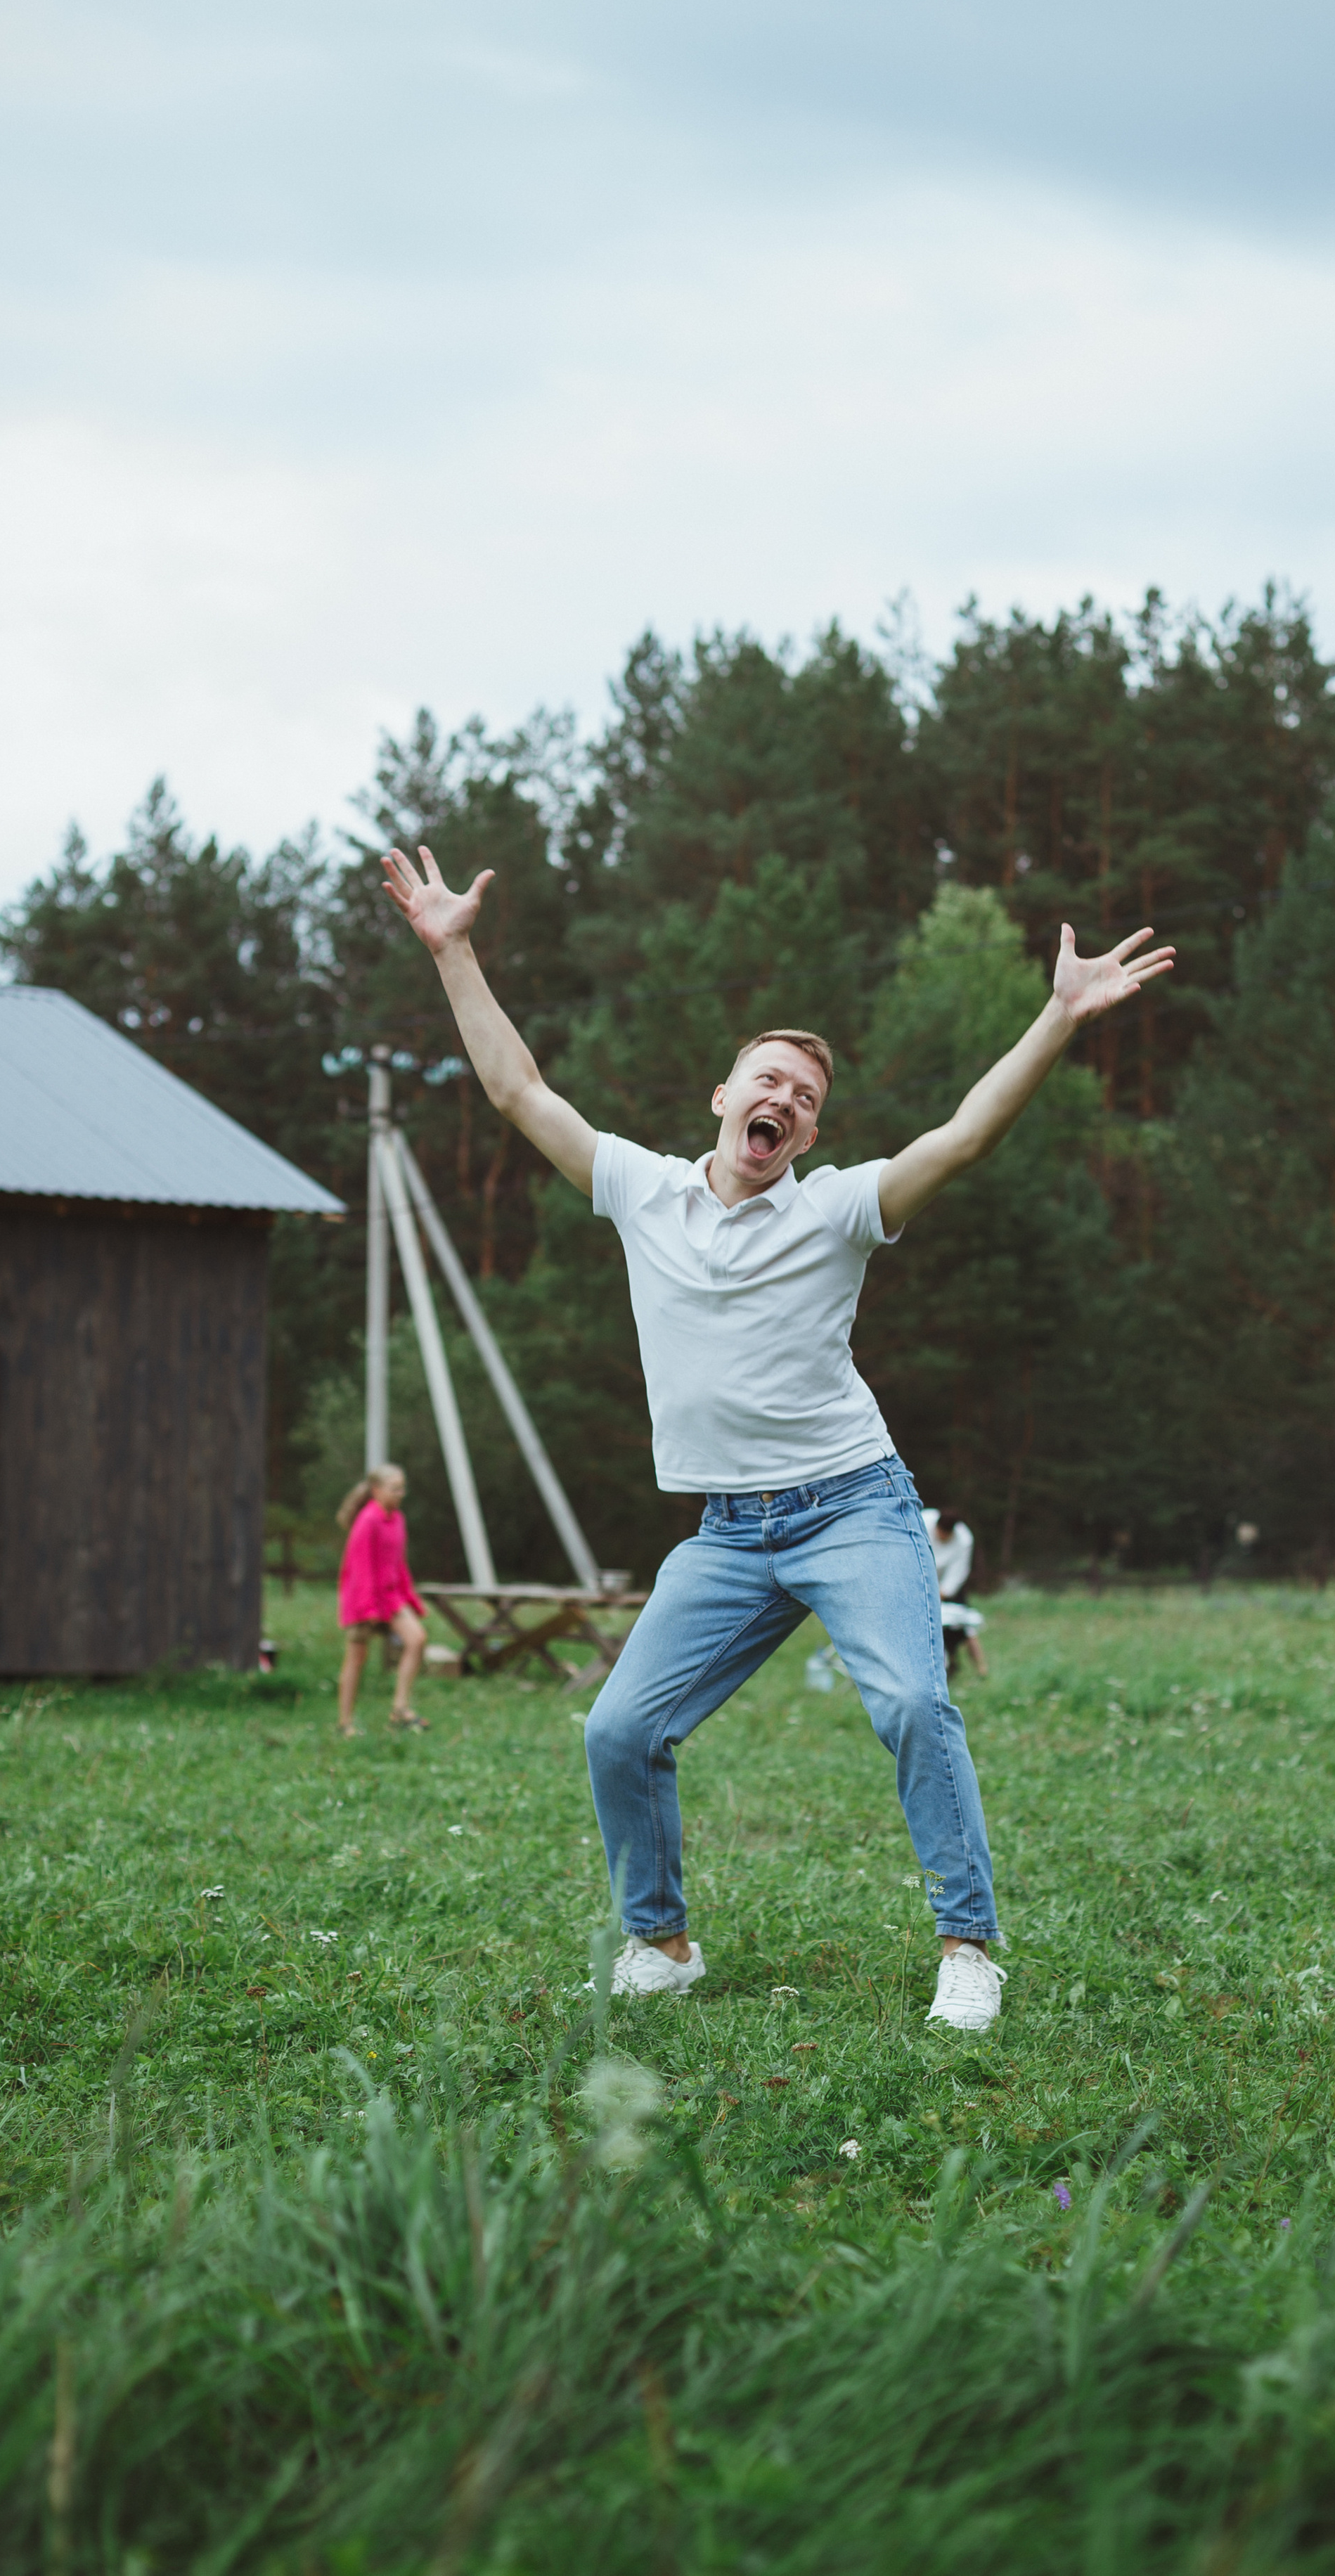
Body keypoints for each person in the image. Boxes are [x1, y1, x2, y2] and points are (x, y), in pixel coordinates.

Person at [382, 842, 1173, 2033]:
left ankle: (969, 1946)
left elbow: (960, 1137)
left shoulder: (842, 1210)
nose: (787, 1103)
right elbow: (518, 1092)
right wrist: (455, 953)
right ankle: (663, 1942)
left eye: (806, 1099)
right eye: (769, 1082)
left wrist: (1056, 1020)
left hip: (852, 1505)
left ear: (807, 1134)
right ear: (724, 1097)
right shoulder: (642, 1191)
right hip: (728, 1532)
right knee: (617, 1729)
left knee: (913, 1701)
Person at [335, 1465, 430, 1737]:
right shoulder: (368, 1521)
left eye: (402, 1488)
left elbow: (399, 1563)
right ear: (376, 1490)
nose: (401, 1494)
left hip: (391, 1596)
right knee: (357, 1658)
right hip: (363, 1598)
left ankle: (400, 1709)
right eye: (395, 1488)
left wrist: (411, 1599)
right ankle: (345, 1723)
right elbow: (360, 1568)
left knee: (417, 1639)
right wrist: (368, 1607)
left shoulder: (397, 1519)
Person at [923, 1507, 989, 1682]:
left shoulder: (964, 1540)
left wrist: (941, 1594)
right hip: (920, 1579)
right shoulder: (923, 1521)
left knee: (964, 1625)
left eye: (947, 1535)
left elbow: (958, 1572)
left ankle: (981, 1670)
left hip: (947, 1586)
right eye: (940, 1533)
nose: (943, 1537)